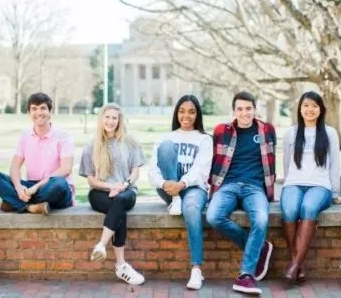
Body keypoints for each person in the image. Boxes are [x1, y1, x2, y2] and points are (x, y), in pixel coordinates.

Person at [206, 91, 275, 295]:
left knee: (261, 220)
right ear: (234, 110)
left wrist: (270, 190)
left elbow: (271, 162)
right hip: (227, 186)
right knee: (213, 216)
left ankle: (246, 275)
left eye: (248, 109)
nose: (244, 113)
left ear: (255, 109)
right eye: (240, 109)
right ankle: (259, 248)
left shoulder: (267, 130)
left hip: (254, 188)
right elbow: (212, 161)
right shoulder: (221, 130)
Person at [149, 95, 212, 290]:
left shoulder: (205, 139)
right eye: (182, 111)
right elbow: (152, 171)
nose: (187, 115)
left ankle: (196, 270)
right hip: (169, 189)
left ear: (197, 114)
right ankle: (175, 200)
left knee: (191, 209)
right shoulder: (165, 138)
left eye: (192, 112)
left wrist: (182, 184)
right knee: (167, 147)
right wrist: (166, 183)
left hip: (194, 189)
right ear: (176, 113)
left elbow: (201, 171)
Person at [80, 103, 146, 285]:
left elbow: (135, 171)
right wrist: (111, 187)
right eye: (107, 117)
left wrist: (123, 185)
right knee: (119, 208)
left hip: (126, 191)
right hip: (100, 193)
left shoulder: (130, 142)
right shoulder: (91, 146)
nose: (110, 121)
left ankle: (101, 245)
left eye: (114, 118)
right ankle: (121, 265)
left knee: (120, 202)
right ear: (101, 119)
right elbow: (91, 180)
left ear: (119, 120)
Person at [280, 91, 340, 283]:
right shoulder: (291, 132)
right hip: (293, 183)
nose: (310, 110)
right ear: (300, 108)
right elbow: (287, 162)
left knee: (308, 208)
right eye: (306, 105)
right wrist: (288, 183)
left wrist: (335, 192)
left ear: (321, 109)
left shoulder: (329, 133)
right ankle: (298, 265)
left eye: (314, 106)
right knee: (289, 209)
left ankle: (294, 266)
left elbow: (335, 164)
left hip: (320, 186)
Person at [0, 93, 73, 214]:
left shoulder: (63, 136)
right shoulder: (25, 135)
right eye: (34, 109)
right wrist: (18, 188)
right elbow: (15, 167)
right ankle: (30, 207)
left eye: (43, 108)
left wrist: (35, 188)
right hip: (31, 186)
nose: (38, 112)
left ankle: (14, 203)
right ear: (29, 113)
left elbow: (66, 170)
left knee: (59, 183)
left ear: (50, 111)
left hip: (52, 188)